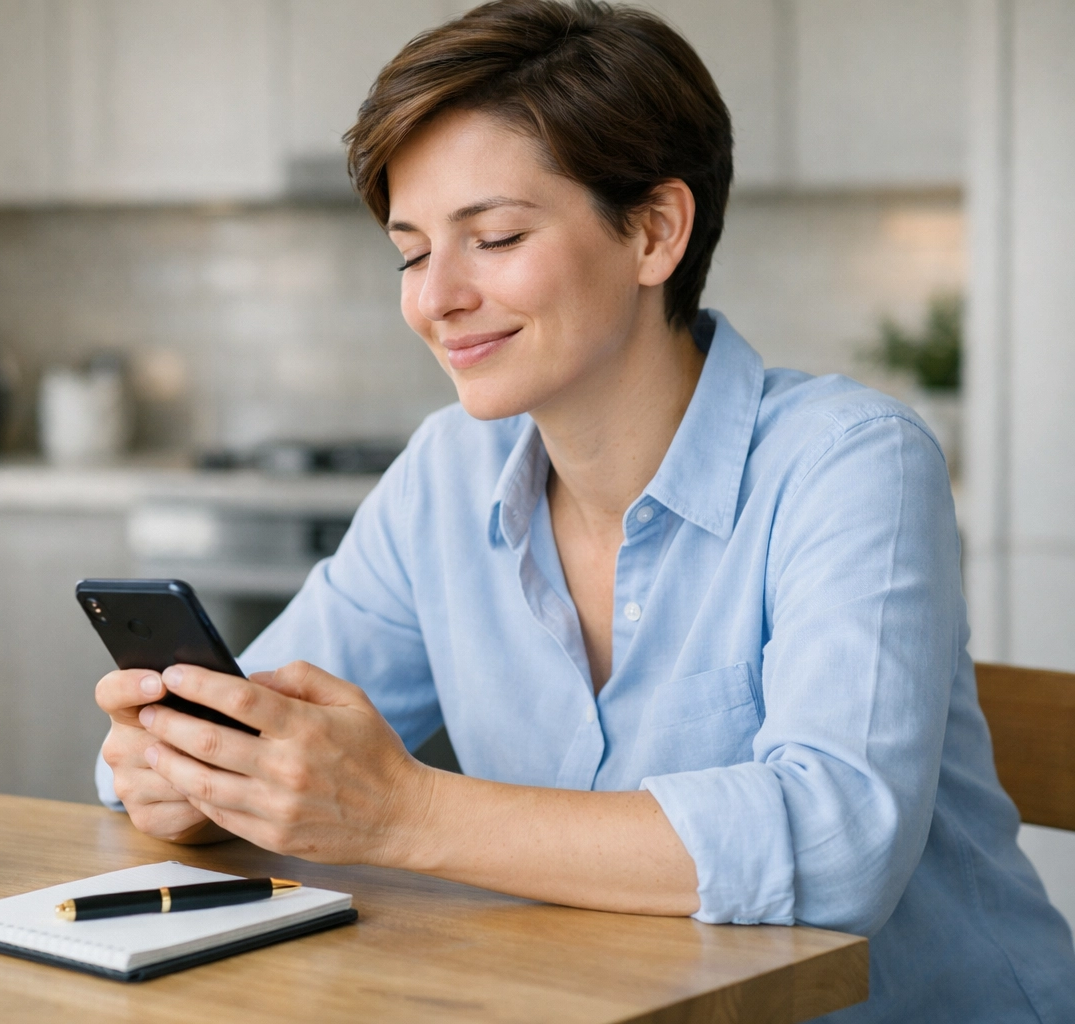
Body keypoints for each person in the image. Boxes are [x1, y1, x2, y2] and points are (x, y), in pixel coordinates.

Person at [93, 2, 1075, 1019]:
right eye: (412, 251)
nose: (435, 298)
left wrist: (403, 811)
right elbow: (227, 739)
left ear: (654, 232)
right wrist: (191, 774)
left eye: (496, 236)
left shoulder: (849, 461)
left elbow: (838, 847)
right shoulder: (445, 474)